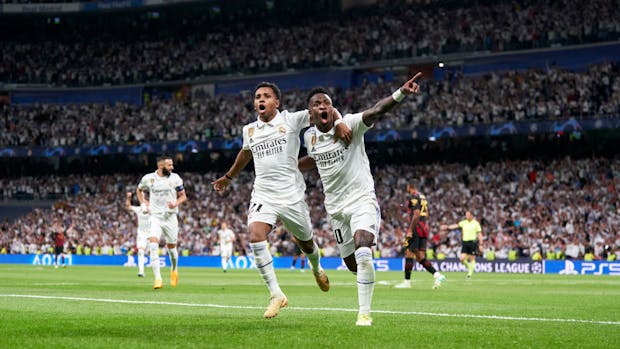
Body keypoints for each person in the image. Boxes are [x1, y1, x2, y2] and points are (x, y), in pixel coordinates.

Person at [212, 81, 351, 319]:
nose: (261, 100)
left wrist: (338, 122)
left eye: (266, 96)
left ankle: (316, 267)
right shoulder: (250, 130)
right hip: (263, 193)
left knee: (306, 243)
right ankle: (276, 294)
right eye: (257, 97)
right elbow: (246, 154)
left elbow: (325, 110)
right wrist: (228, 177)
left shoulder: (292, 119)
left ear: (277, 102)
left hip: (291, 195)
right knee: (255, 235)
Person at [298, 72, 425, 326]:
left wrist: (401, 93)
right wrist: (289, 168)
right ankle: (365, 275)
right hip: (335, 209)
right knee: (353, 264)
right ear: (309, 113)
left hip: (362, 199)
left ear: (333, 107)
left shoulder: (352, 124)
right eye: (316, 104)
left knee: (364, 249)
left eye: (327, 103)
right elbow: (315, 159)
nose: (322, 106)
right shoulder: (308, 138)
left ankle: (364, 313)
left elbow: (377, 110)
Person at [137, 154, 187, 289]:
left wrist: (175, 203)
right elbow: (139, 189)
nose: (172, 167)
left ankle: (174, 269)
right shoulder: (149, 178)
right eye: (169, 165)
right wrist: (143, 202)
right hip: (155, 216)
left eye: (172, 164)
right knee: (153, 245)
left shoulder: (175, 178)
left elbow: (183, 196)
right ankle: (157, 279)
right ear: (161, 165)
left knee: (172, 249)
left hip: (170, 217)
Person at [394, 181, 446, 289]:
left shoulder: (413, 197)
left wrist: (410, 230)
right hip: (424, 228)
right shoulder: (423, 197)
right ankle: (438, 275)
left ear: (410, 187)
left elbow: (416, 214)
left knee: (409, 253)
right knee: (420, 257)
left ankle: (407, 282)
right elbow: (425, 214)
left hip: (417, 228)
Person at [441, 211, 483, 279]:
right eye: (466, 215)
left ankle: (469, 274)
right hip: (465, 242)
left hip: (472, 242)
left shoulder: (476, 223)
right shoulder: (464, 222)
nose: (466, 216)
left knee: (471, 258)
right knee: (462, 259)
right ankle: (470, 268)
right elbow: (456, 225)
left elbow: (479, 234)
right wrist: (447, 227)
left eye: (468, 215)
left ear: (471, 216)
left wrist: (481, 244)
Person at [125, 191, 150, 277]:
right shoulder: (139, 209)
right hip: (142, 234)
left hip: (152, 234)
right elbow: (128, 207)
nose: (145, 203)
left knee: (153, 252)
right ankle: (141, 271)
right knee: (140, 251)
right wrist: (128, 198)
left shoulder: (152, 209)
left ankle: (157, 274)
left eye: (146, 202)